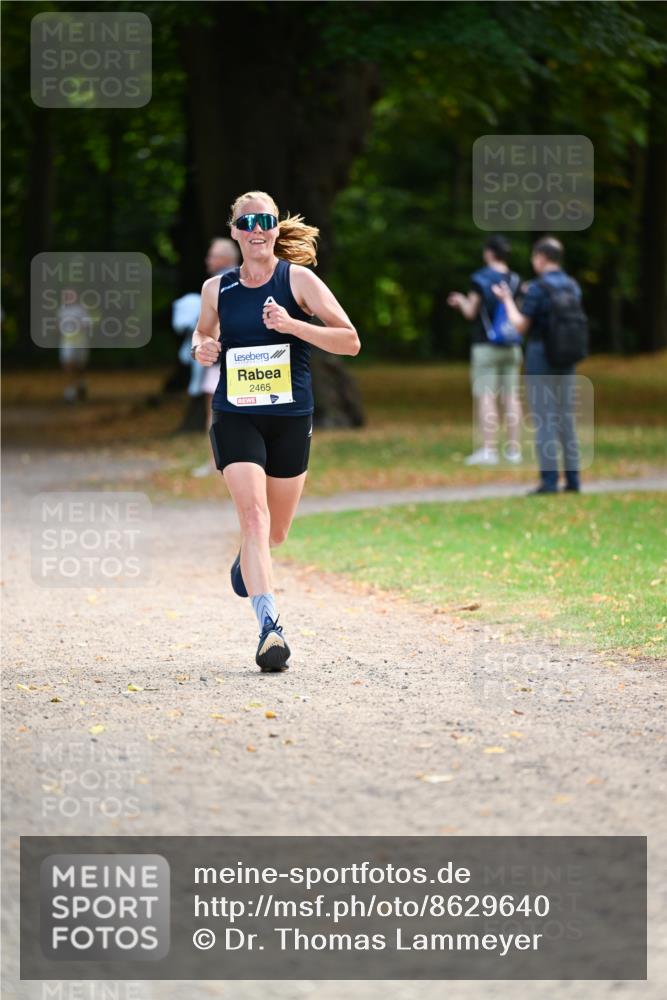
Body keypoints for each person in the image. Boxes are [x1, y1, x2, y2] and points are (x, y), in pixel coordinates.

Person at [191, 190, 360, 671]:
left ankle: (249, 561)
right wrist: (201, 349)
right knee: (255, 519)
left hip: (290, 419)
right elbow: (203, 335)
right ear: (235, 232)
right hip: (236, 414)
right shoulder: (216, 288)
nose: (256, 229)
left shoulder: (298, 280)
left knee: (275, 532)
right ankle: (270, 629)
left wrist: (293, 325)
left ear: (275, 226)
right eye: (247, 222)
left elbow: (350, 341)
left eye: (265, 220)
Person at [492, 236, 582, 494]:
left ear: (541, 258)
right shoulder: (573, 286)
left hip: (541, 355)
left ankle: (549, 480)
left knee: (544, 418)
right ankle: (573, 480)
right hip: (567, 357)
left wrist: (507, 300)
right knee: (566, 417)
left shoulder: (539, 288)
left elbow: (520, 326)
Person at [447, 236, 523, 465]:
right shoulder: (516, 280)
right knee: (512, 396)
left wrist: (460, 301)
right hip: (512, 345)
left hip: (485, 345)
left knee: (487, 395)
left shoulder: (480, 279)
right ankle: (514, 451)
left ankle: (489, 450)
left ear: (489, 253)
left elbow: (471, 312)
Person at [58, 289, 92, 403]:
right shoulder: (62, 310)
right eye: (66, 295)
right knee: (68, 364)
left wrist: (76, 326)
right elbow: (58, 325)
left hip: (80, 342)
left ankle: (81, 384)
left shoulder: (81, 310)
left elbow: (87, 325)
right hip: (67, 342)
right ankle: (70, 392)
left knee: (79, 367)